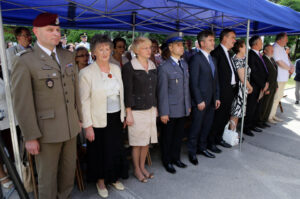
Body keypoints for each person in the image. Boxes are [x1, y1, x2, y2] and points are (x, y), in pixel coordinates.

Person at [11, 13, 81, 199]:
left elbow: (75, 92)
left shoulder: (67, 56)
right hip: (46, 132)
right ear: (36, 32)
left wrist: (79, 118)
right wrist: (30, 136)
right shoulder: (25, 60)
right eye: (50, 29)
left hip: (70, 127)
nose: (55, 33)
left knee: (68, 173)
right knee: (47, 178)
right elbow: (22, 103)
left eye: (57, 30)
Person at [79, 34, 128, 198]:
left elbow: (122, 94)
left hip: (115, 116)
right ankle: (100, 181)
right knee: (99, 151)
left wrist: (125, 114)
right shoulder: (86, 73)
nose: (105, 52)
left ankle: (113, 177)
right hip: (98, 118)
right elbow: (84, 102)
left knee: (115, 148)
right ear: (93, 52)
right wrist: (88, 126)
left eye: (108, 48)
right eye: (101, 49)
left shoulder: (116, 69)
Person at [122, 37, 157, 183]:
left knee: (146, 142)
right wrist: (128, 112)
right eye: (145, 48)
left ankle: (142, 167)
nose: (149, 50)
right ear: (136, 50)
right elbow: (127, 91)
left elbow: (154, 89)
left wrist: (155, 107)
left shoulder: (153, 64)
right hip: (136, 111)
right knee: (137, 143)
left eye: (149, 47)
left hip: (150, 108)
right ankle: (137, 169)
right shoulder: (129, 67)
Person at [157, 33, 191, 173]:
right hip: (170, 110)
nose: (181, 47)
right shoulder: (164, 67)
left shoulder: (184, 63)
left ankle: (176, 158)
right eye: (178, 45)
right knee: (167, 137)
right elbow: (162, 92)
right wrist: (163, 112)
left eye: (182, 44)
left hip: (182, 108)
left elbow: (186, 88)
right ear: (170, 48)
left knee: (178, 136)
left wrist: (188, 105)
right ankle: (167, 161)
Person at [188, 30, 220, 164]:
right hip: (200, 101)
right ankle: (192, 152)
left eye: (213, 40)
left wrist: (217, 97)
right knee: (196, 127)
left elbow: (215, 80)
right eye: (211, 40)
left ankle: (202, 147)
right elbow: (193, 82)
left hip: (212, 100)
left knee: (207, 126)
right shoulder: (196, 58)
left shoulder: (213, 59)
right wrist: (199, 100)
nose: (213, 43)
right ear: (202, 43)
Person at [208, 29, 237, 153]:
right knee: (217, 118)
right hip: (221, 92)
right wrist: (216, 95)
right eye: (232, 37)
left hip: (230, 91)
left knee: (224, 117)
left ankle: (219, 138)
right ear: (224, 38)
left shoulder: (229, 53)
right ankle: (211, 142)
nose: (234, 40)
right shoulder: (216, 53)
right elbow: (214, 77)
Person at [243, 36, 269, 136]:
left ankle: (253, 124)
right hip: (254, 86)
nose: (262, 43)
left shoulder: (258, 54)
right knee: (251, 107)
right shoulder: (251, 55)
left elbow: (263, 70)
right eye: (260, 42)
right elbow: (253, 73)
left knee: (256, 107)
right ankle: (246, 127)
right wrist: (262, 84)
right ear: (255, 44)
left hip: (261, 86)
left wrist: (266, 82)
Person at [269, 32, 294, 122]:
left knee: (278, 97)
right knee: (276, 97)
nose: (287, 40)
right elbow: (279, 62)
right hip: (278, 77)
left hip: (283, 77)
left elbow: (287, 60)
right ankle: (270, 116)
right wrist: (289, 69)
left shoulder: (282, 48)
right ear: (280, 39)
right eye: (286, 38)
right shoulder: (275, 48)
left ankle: (273, 115)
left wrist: (292, 66)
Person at [229, 40, 253, 133]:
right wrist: (250, 87)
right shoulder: (238, 60)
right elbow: (242, 78)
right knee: (236, 112)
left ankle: (233, 132)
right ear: (239, 48)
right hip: (240, 89)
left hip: (242, 89)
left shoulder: (240, 58)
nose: (246, 48)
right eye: (244, 46)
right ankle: (231, 133)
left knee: (238, 113)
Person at [258, 44, 278, 125]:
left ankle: (265, 120)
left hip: (273, 85)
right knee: (264, 104)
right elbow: (265, 75)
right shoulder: (263, 60)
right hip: (268, 86)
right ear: (265, 51)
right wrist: (267, 88)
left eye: (272, 49)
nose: (272, 51)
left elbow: (275, 73)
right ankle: (260, 121)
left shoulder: (272, 59)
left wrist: (276, 85)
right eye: (270, 49)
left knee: (269, 104)